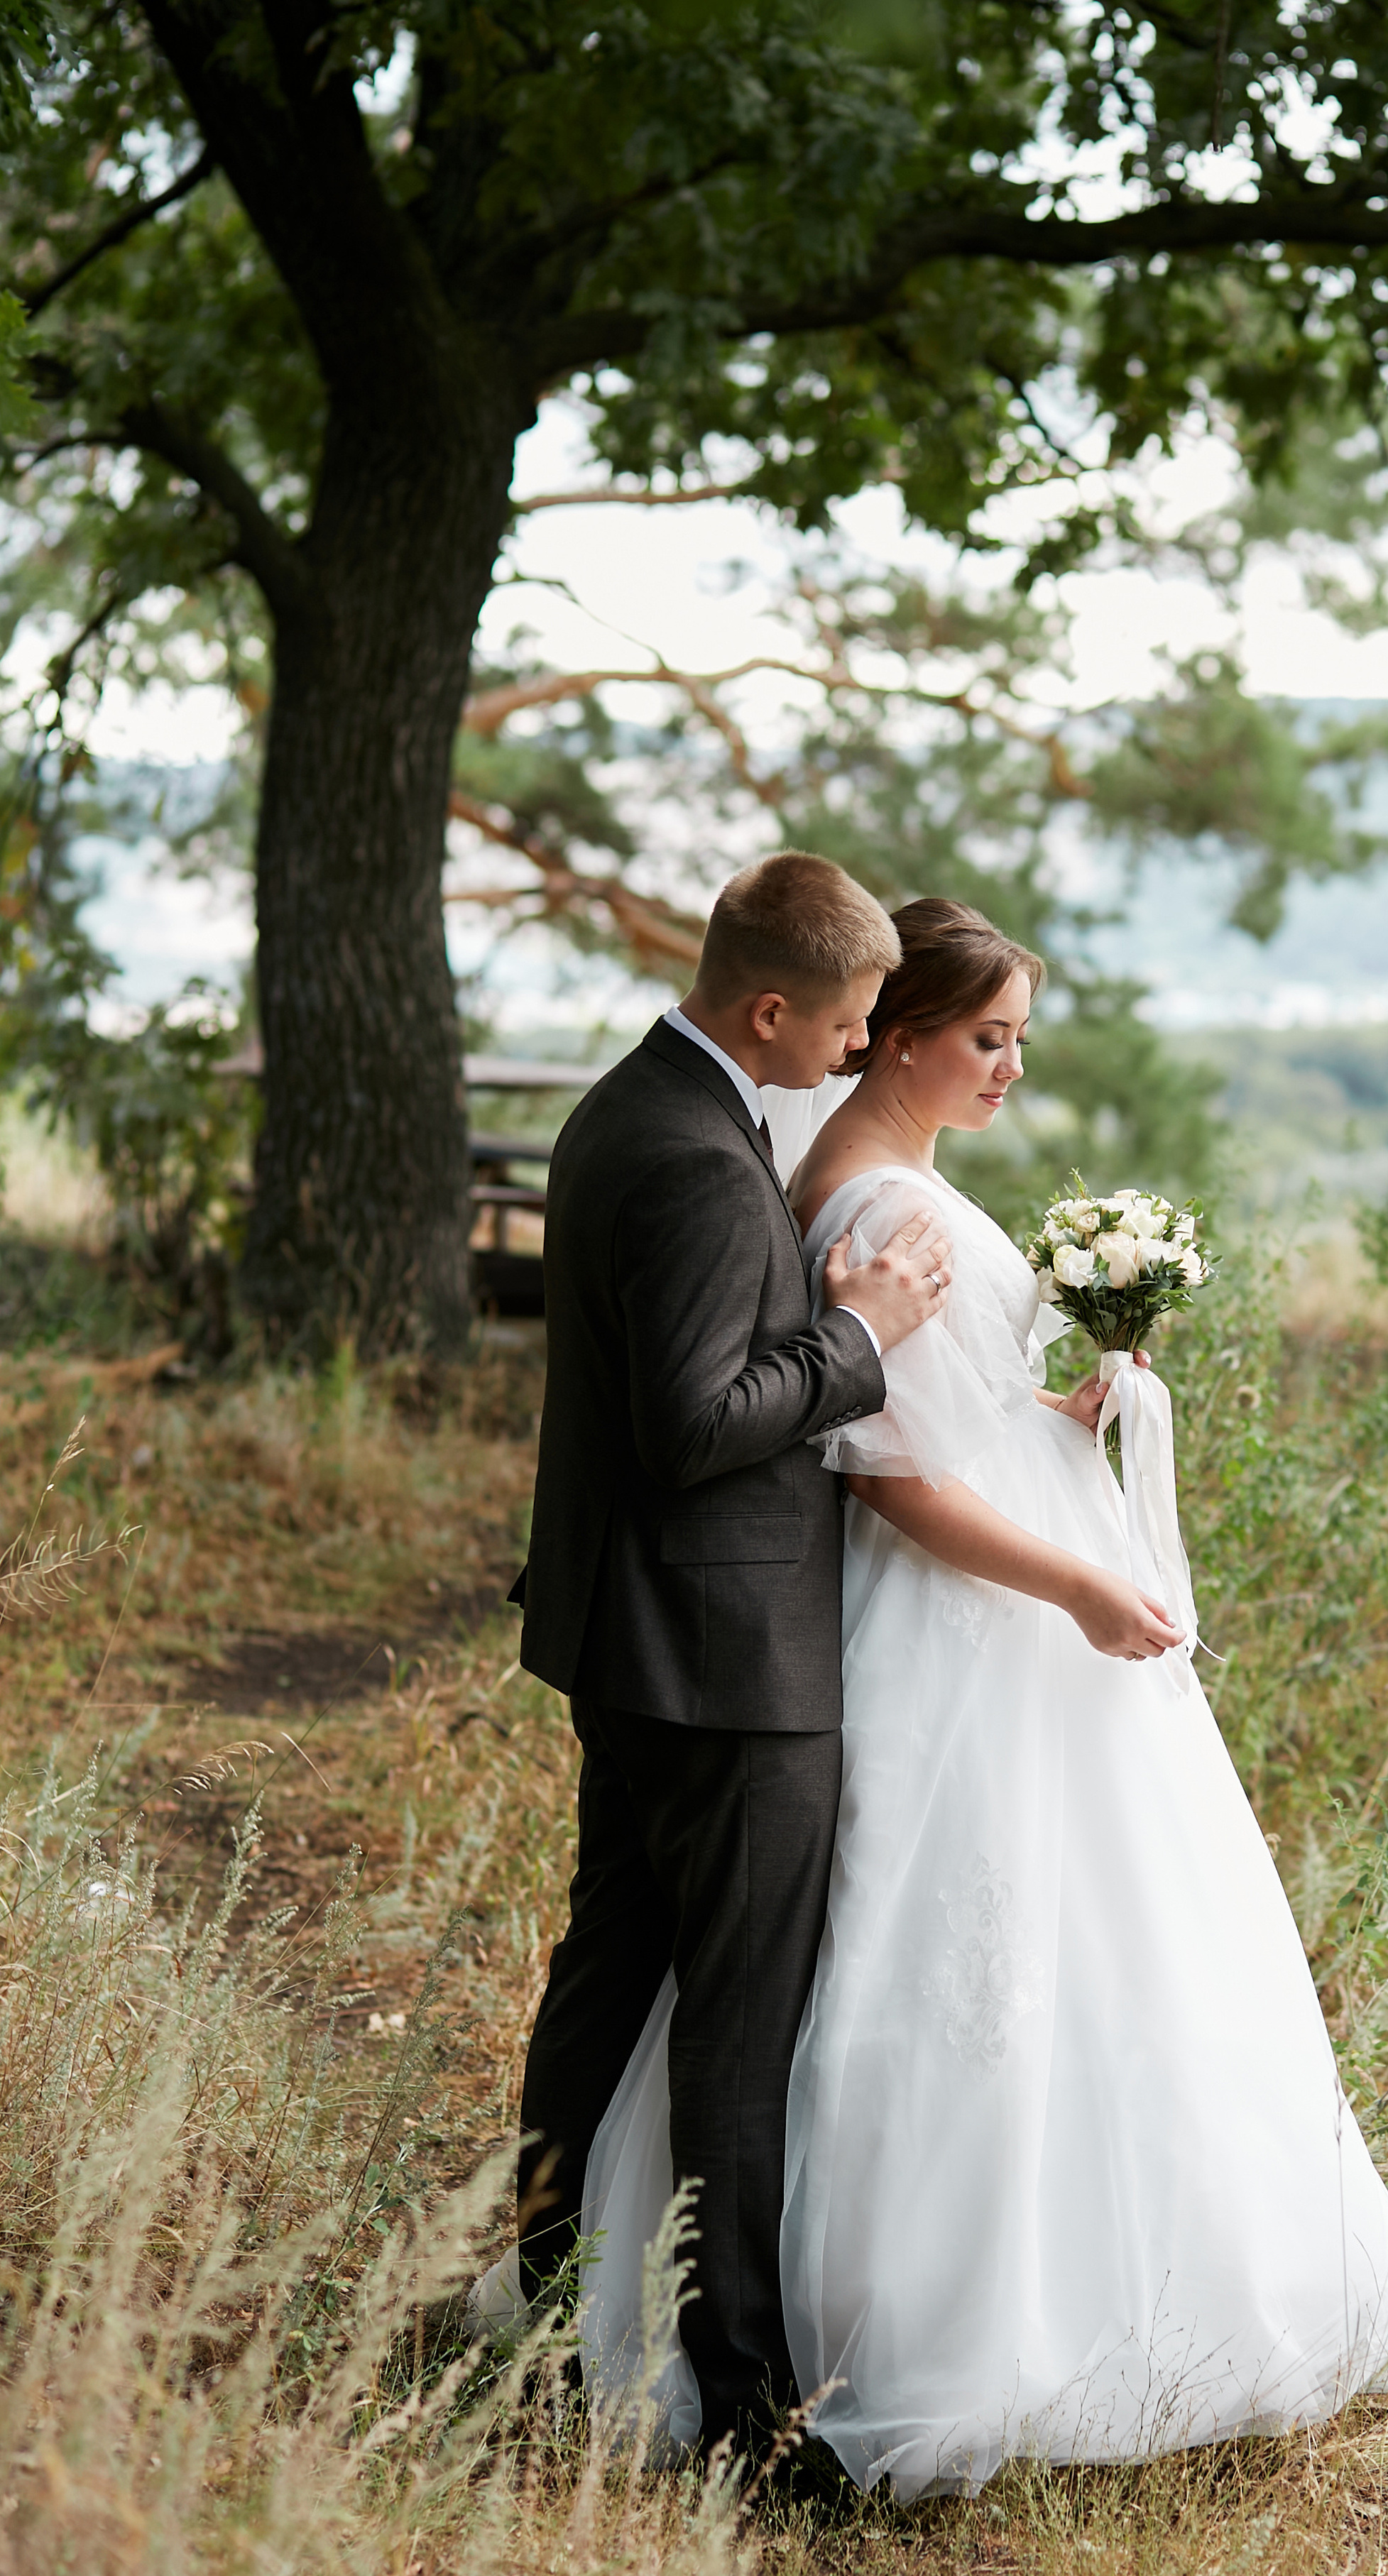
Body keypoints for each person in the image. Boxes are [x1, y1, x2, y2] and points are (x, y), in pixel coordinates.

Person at [574, 894, 1388, 2499]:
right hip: (956, 1626)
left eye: (1019, 1042)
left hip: (968, 1612)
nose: (1005, 1067)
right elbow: (892, 1484)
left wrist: (1056, 1404)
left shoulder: (887, 1178)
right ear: (896, 1029)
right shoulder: (869, 1208)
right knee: (922, 1963)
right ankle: (890, 2334)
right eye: (983, 1037)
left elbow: (947, 1419)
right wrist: (1076, 1584)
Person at [496, 853, 954, 2460]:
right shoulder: (694, 1158)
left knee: (607, 1982)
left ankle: (547, 2305)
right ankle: (750, 2411)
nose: (853, 1050)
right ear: (769, 1006)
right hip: (720, 1654)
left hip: (631, 1637)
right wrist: (862, 1338)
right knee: (734, 2038)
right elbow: (695, 1426)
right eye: (843, 1024)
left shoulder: (638, 1104)